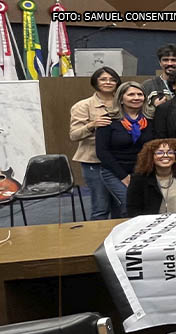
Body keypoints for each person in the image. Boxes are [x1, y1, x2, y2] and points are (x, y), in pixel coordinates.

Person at [95, 81, 155, 218]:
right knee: (129, 203)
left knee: (147, 204)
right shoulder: (108, 121)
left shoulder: (151, 119)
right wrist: (124, 177)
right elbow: (102, 152)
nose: (136, 97)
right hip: (116, 171)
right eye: (131, 94)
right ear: (121, 99)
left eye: (140, 94)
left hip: (143, 171)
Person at [70, 67, 121, 220]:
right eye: (103, 79)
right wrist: (92, 125)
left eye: (112, 79)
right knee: (101, 206)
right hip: (94, 162)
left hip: (120, 160)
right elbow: (74, 135)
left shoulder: (124, 101)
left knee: (121, 203)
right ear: (95, 82)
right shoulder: (83, 106)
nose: (108, 82)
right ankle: (98, 241)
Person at [127, 138, 176, 216]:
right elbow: (133, 209)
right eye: (159, 153)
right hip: (150, 224)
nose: (165, 155)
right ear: (151, 157)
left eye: (170, 152)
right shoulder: (139, 178)